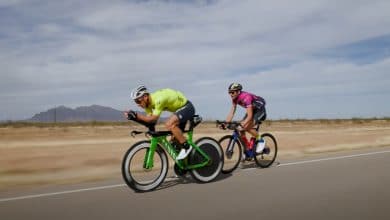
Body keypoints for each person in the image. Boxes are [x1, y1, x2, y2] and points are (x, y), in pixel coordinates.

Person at [124, 85, 195, 160]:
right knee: (174, 145)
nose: (138, 104)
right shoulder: (148, 106)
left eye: (138, 101)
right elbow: (150, 122)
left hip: (187, 107)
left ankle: (187, 147)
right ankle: (187, 164)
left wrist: (136, 115)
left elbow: (153, 118)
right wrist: (134, 118)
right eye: (135, 102)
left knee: (169, 124)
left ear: (145, 97)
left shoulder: (159, 99)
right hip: (179, 111)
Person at [222, 83, 267, 158]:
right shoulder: (234, 99)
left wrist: (243, 124)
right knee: (241, 129)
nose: (230, 94)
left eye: (232, 92)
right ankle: (247, 149)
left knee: (246, 127)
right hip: (252, 110)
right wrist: (225, 123)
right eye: (229, 92)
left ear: (238, 92)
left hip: (260, 110)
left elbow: (249, 116)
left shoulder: (246, 97)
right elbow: (231, 113)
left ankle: (261, 140)